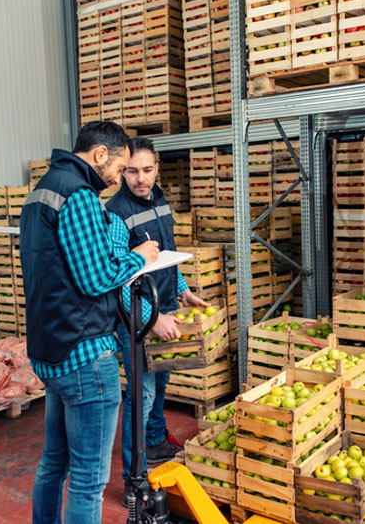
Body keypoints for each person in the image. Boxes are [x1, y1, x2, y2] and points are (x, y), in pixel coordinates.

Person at [20, 122, 159, 524]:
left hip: (52, 347)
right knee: (87, 480)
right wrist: (140, 259)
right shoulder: (77, 194)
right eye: (120, 166)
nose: (120, 177)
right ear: (100, 155)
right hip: (83, 351)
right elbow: (95, 277)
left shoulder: (41, 192)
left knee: (53, 464)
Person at [106, 137, 209, 500]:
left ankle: (154, 442)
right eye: (132, 171)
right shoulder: (117, 213)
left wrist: (182, 289)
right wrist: (153, 319)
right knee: (142, 393)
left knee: (160, 385)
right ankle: (134, 478)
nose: (140, 178)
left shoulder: (160, 202)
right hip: (137, 317)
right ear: (123, 172)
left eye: (147, 170)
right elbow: (119, 275)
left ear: (157, 169)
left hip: (164, 307)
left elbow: (163, 255)